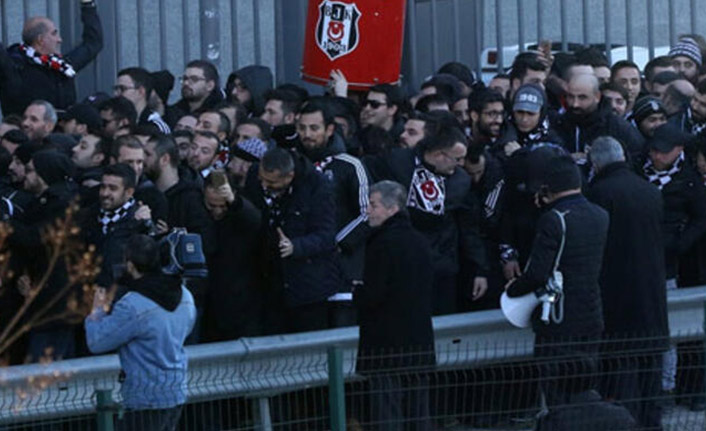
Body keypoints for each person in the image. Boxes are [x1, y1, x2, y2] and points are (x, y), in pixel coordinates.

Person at [505, 155, 609, 429]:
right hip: (591, 314)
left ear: (547, 188)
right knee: (584, 387)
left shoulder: (554, 219)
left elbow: (538, 273)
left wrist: (512, 289)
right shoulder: (600, 215)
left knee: (557, 391)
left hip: (559, 320)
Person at [586, 136, 669, 430]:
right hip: (651, 297)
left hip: (616, 301)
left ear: (595, 163)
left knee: (621, 381)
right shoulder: (650, 191)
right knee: (650, 378)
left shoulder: (597, 193)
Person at [365, 126, 488, 315]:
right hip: (399, 267)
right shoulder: (396, 162)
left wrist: (479, 268)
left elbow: (468, 228)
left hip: (440, 269)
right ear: (439, 154)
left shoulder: (461, 181)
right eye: (457, 159)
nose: (461, 164)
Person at [85, 234, 196, 431]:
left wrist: (97, 312)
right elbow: (187, 328)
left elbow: (97, 342)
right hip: (176, 390)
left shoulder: (133, 305)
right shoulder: (185, 295)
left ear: (130, 265)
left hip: (145, 397)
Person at [355, 180, 435, 431]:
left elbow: (374, 294)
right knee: (418, 411)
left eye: (373, 205)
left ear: (392, 209)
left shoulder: (382, 244)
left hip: (385, 344)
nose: (368, 210)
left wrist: (357, 291)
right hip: (418, 339)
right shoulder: (420, 241)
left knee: (386, 409)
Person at [244, 147, 340, 334]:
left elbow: (326, 235)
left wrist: (296, 246)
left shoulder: (318, 186)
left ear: (289, 176)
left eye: (272, 182)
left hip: (307, 287)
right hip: (268, 283)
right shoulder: (254, 174)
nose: (264, 186)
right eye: (261, 180)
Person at [0, 0, 103, 116]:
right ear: (40, 39)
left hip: (64, 132)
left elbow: (93, 43)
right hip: (25, 132)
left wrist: (87, 4)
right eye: (54, 34)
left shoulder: (62, 66)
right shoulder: (15, 67)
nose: (60, 40)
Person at [202, 172, 263, 341]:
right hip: (211, 303)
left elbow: (256, 221)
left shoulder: (241, 214)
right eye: (211, 205)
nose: (217, 211)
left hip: (242, 302)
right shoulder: (200, 216)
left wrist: (234, 202)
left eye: (222, 206)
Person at [114, 67, 170, 134]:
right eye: (116, 89)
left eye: (122, 89)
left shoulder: (156, 126)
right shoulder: (116, 123)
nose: (116, 94)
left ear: (141, 91)